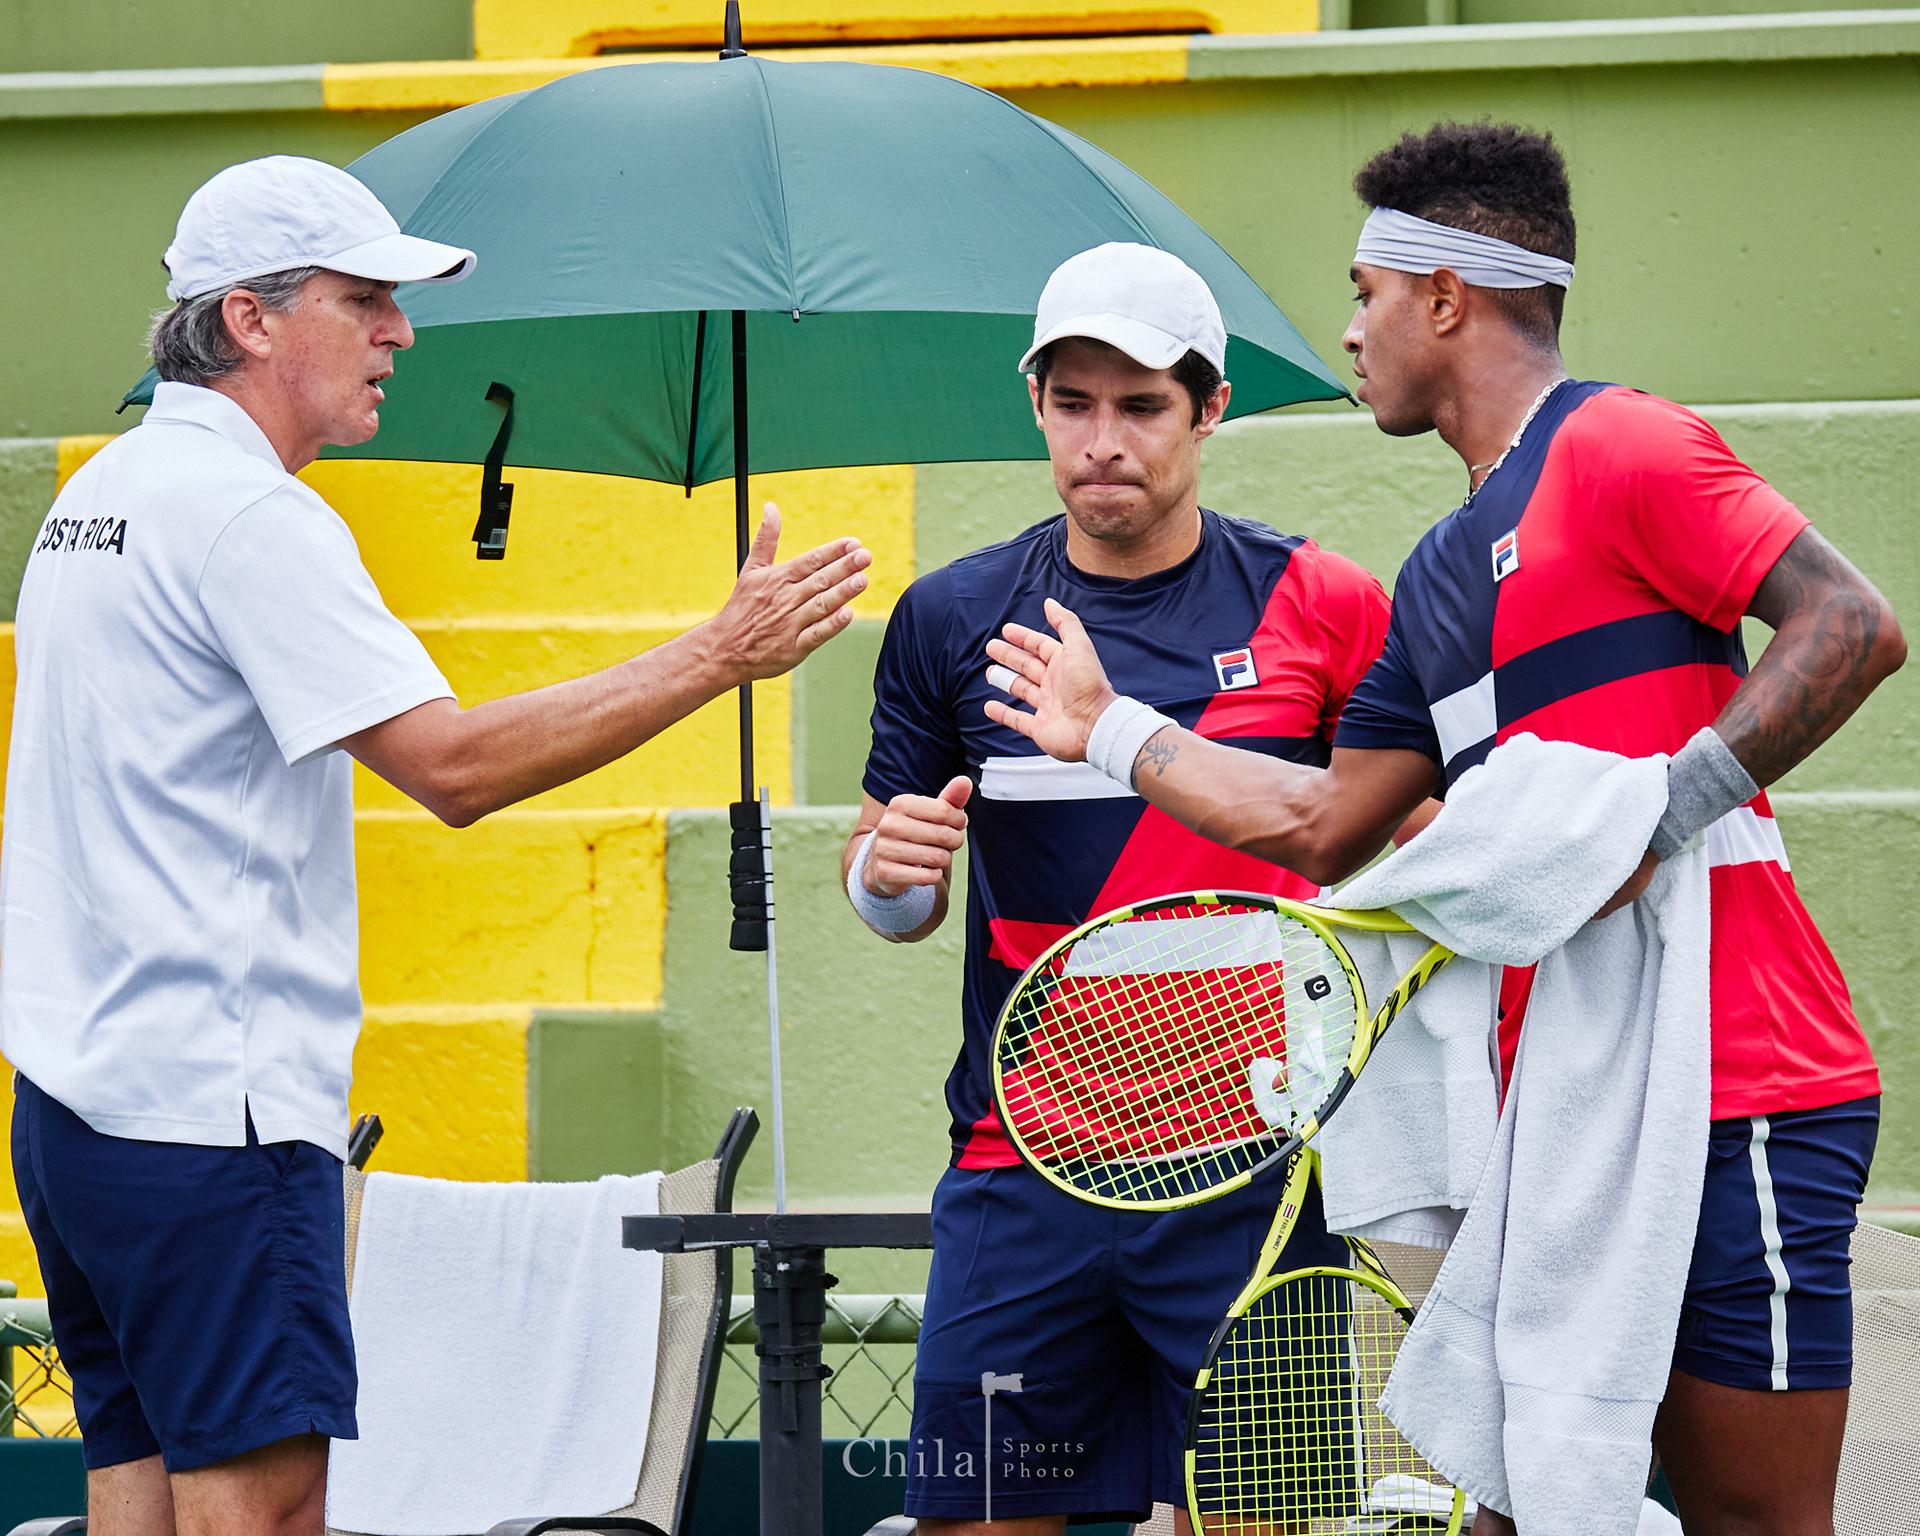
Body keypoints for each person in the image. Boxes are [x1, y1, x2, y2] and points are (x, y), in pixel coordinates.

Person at [983, 124, 1903, 1536]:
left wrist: (1654, 818)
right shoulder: (1433, 576)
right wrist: (1116, 732)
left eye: (1364, 295)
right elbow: (1319, 826)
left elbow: (1852, 626)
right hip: (1554, 1120)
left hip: (1746, 1085)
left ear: (1445, 298)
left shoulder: (1620, 441)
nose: (1351, 332)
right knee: (1525, 1508)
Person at [1, 155, 870, 1536]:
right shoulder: (245, 515)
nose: (402, 332)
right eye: (366, 300)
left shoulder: (98, 498)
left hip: (75, 1109)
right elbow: (453, 769)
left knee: (139, 1494)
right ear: (251, 321)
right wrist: (720, 652)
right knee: (261, 1509)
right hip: (211, 1119)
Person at [843, 241, 1393, 1533]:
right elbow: (892, 884)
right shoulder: (950, 615)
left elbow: (1412, 840)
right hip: (1018, 1169)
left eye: (1142, 405)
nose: (1105, 439)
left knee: (1264, 1524)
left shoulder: (1322, 602)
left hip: (1249, 1178)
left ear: (1209, 410)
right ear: (1035, 403)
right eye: (1074, 402)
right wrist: (885, 877)